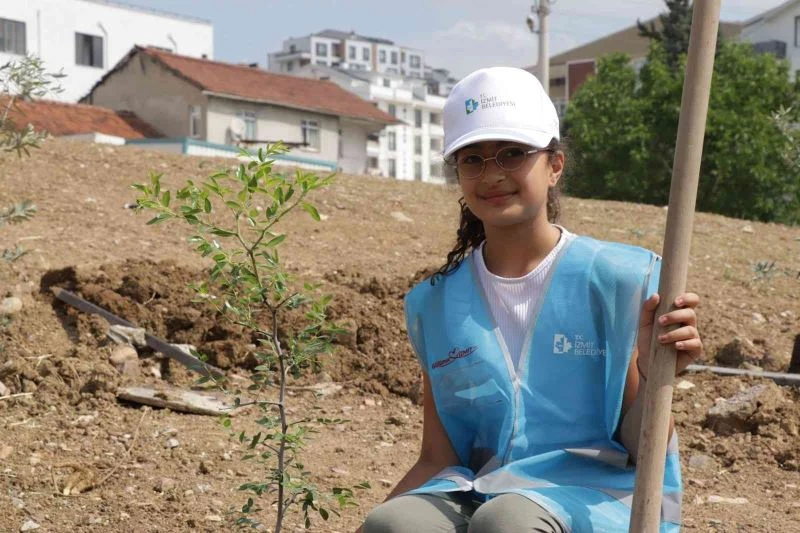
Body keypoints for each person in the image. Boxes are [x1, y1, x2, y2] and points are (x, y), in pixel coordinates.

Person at [357, 67, 702, 533]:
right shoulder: (435, 304)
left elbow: (644, 449)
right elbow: (439, 459)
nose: (492, 174)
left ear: (554, 164)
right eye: (472, 159)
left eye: (512, 154)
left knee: (509, 520)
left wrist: (653, 369)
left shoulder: (620, 281)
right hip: (478, 490)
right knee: (394, 524)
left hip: (604, 495)